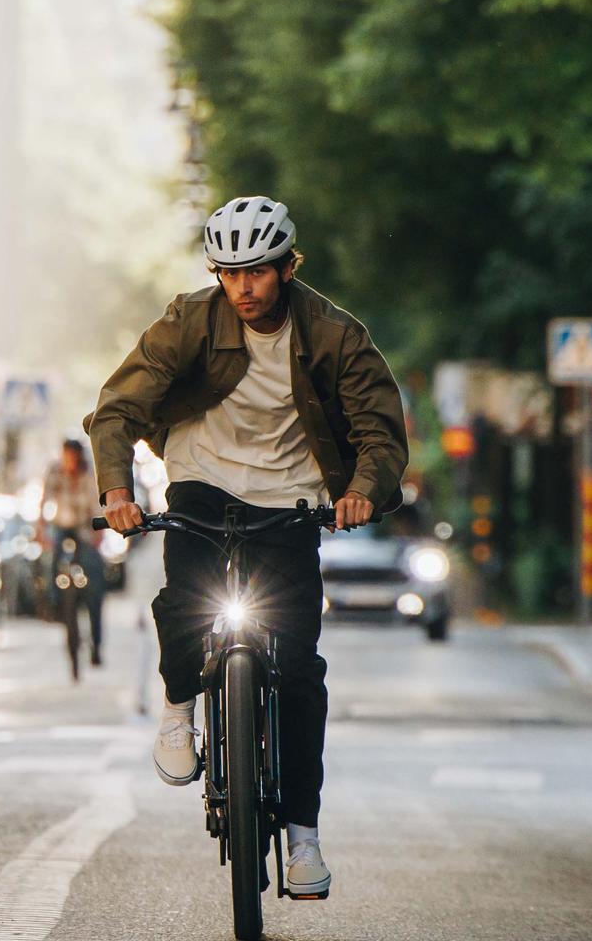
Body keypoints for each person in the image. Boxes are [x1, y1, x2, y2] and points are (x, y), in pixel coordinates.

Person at [87, 195, 406, 900]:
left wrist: (360, 490)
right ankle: (178, 706)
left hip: (292, 498)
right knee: (184, 600)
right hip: (202, 481)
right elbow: (117, 409)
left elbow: (380, 431)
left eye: (258, 271)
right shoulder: (189, 321)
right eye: (229, 274)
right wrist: (116, 489)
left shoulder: (335, 335)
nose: (244, 288)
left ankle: (302, 838)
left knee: (297, 668)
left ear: (287, 267)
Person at [36, 437, 105, 670]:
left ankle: (96, 642)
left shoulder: (88, 474)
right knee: (52, 564)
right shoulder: (54, 472)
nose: (70, 461)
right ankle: (53, 603)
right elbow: (43, 502)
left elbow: (97, 505)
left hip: (84, 528)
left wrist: (99, 533)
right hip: (62, 527)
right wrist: (41, 529)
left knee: (94, 579)